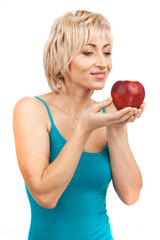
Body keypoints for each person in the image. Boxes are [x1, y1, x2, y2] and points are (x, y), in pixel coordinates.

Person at [13, 10, 146, 240]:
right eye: (88, 52)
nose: (103, 63)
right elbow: (46, 196)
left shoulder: (107, 114)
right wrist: (84, 129)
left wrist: (116, 126)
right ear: (62, 58)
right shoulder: (31, 110)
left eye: (107, 52)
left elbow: (131, 194)